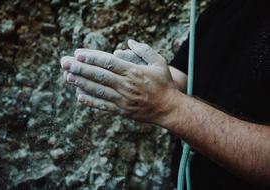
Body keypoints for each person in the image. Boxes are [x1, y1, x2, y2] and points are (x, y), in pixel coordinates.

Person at [60, 0, 270, 189]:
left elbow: (171, 99)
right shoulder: (222, 9)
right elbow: (180, 79)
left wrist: (170, 105)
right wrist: (134, 76)